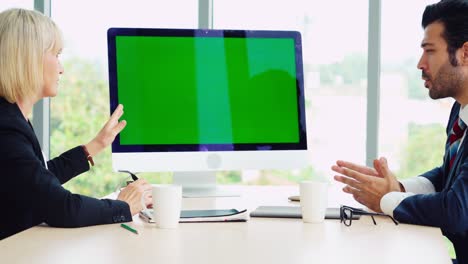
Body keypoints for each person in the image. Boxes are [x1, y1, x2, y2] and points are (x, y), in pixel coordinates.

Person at [332, 0, 468, 263]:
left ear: (465, 53)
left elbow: (456, 211)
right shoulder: (460, 111)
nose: (420, 63)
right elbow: (449, 176)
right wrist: (400, 187)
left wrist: (387, 199)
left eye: (429, 51)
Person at [0, 8, 153, 240]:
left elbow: (37, 180)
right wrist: (123, 206)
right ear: (29, 58)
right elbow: (61, 208)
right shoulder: (6, 128)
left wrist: (96, 144)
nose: (61, 68)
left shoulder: (12, 118)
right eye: (57, 54)